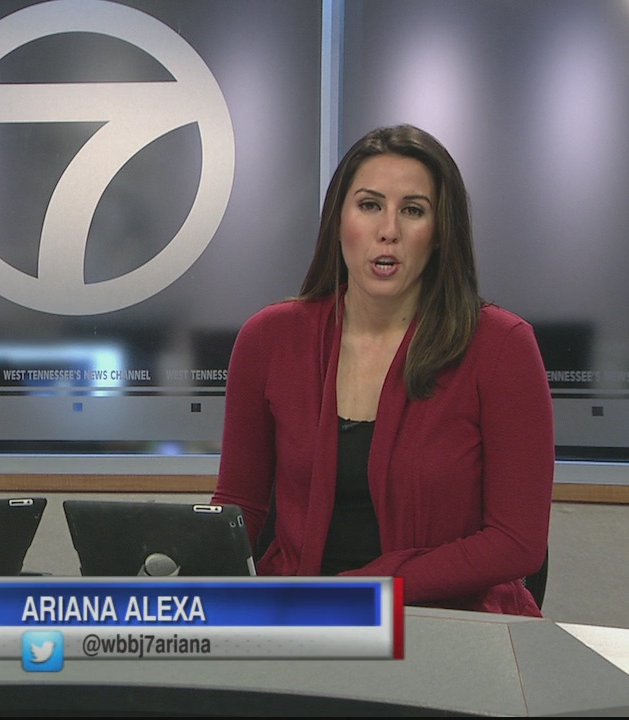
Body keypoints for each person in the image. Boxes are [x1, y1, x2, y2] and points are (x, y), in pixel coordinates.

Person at [212, 124, 554, 616]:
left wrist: (364, 592)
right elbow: (239, 509)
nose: (388, 229)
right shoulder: (268, 339)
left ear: (439, 234)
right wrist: (184, 568)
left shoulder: (501, 346)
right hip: (301, 619)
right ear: (338, 221)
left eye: (413, 210)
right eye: (370, 205)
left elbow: (516, 542)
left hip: (446, 624)